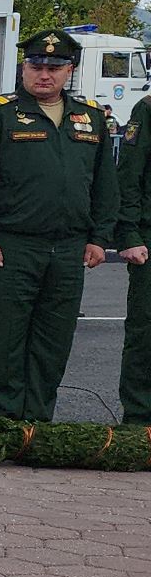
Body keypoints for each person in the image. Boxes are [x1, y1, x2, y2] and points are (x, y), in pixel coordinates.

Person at [0, 30, 119, 420]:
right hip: (10, 247)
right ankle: (2, 429)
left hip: (68, 249)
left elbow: (103, 185)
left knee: (53, 343)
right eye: (36, 66)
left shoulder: (90, 117)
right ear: (23, 68)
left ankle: (37, 426)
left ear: (69, 71)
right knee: (5, 344)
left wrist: (99, 237)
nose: (44, 75)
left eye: (54, 68)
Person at [118, 93, 150, 424]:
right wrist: (128, 233)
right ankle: (141, 420)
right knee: (146, 332)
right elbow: (129, 174)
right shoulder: (148, 108)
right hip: (149, 237)